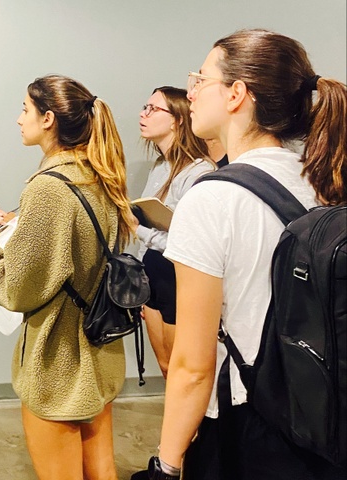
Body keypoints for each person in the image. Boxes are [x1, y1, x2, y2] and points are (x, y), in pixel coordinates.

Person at [150, 29, 347, 480]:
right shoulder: (321, 179)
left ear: (237, 93)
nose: (192, 92)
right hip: (323, 411)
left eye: (201, 78)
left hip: (250, 418)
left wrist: (167, 461)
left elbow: (193, 366)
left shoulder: (211, 199)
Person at [0, 75, 132, 480]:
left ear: (49, 118)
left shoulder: (49, 187)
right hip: (98, 350)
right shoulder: (98, 173)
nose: (19, 119)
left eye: (25, 109)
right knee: (100, 471)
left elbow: (18, 288)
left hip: (58, 358)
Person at [132, 87, 214, 379]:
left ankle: (194, 427)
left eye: (153, 109)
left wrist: (138, 230)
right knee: (166, 366)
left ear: (177, 119)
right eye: (145, 106)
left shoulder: (198, 172)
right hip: (154, 273)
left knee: (182, 370)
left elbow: (189, 244)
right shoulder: (160, 166)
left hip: (177, 277)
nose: (143, 114)